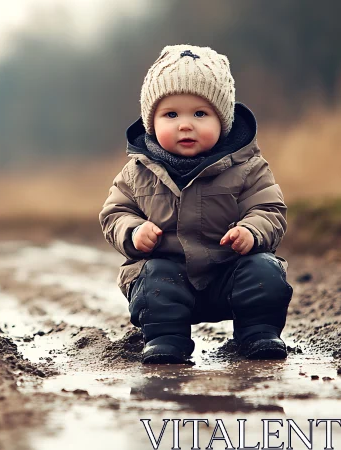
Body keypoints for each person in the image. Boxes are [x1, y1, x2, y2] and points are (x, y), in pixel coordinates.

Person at [99, 44, 293, 364]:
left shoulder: (247, 166)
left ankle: (258, 333)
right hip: (170, 279)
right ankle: (166, 338)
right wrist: (133, 231)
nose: (185, 124)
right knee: (154, 277)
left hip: (229, 275)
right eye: (171, 114)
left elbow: (269, 209)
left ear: (223, 120)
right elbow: (114, 213)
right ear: (151, 121)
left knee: (264, 270)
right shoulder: (137, 173)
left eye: (200, 114)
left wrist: (251, 231)